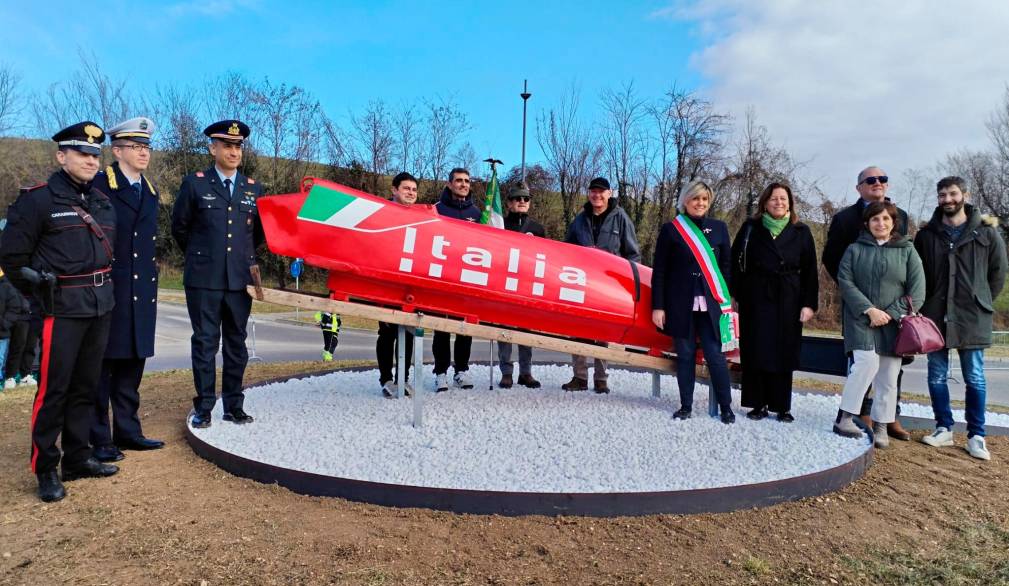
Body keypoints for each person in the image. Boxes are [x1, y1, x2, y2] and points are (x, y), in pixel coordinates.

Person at [0, 121, 120, 502]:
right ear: (61, 156)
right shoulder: (37, 201)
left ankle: (77, 456)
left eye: (94, 154)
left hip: (100, 306)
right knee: (54, 390)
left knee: (86, 386)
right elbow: (12, 257)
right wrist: (38, 293)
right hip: (60, 310)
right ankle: (46, 467)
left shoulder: (101, 201)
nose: (89, 160)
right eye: (81, 153)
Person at [171, 120, 264, 429]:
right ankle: (205, 407)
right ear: (213, 148)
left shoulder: (253, 188)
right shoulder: (195, 183)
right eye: (227, 145)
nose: (233, 151)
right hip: (203, 280)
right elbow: (180, 228)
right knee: (205, 344)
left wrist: (239, 260)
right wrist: (203, 256)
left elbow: (258, 235)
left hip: (239, 280)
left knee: (236, 345)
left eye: (238, 146)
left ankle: (234, 405)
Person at [915, 176, 1007, 460]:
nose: (947, 200)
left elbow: (998, 273)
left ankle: (976, 435)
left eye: (953, 194)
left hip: (972, 315)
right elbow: (917, 274)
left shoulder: (986, 233)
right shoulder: (927, 234)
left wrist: (981, 300)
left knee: (975, 377)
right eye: (942, 195)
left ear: (964, 195)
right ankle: (943, 427)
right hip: (935, 315)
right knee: (936, 375)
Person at [89, 117, 164, 463]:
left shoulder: (149, 191)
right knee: (102, 367)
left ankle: (128, 431)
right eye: (136, 147)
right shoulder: (100, 184)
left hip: (142, 289)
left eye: (146, 147)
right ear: (117, 150)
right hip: (111, 286)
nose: (143, 153)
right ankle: (98, 438)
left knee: (133, 363)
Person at [822, 166, 913, 441]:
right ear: (859, 187)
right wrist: (859, 299)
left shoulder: (903, 220)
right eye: (871, 180)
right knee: (862, 361)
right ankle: (857, 413)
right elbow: (833, 260)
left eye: (882, 179)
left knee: (890, 367)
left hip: (893, 310)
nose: (878, 183)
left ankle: (887, 417)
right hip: (860, 309)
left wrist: (894, 309)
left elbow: (910, 272)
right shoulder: (844, 220)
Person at [832, 201, 925, 447]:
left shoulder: (907, 251)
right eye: (875, 219)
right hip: (860, 319)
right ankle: (845, 418)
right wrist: (870, 310)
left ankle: (882, 424)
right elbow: (845, 281)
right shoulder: (854, 249)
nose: (880, 223)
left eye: (885, 219)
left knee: (889, 374)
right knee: (865, 362)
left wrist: (890, 314)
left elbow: (917, 293)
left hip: (895, 324)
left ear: (893, 222)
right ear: (867, 223)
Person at [730, 182, 818, 422]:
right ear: (764, 203)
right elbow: (734, 261)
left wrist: (809, 304)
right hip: (755, 295)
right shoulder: (751, 227)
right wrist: (734, 294)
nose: (779, 202)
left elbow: (810, 270)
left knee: (784, 350)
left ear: (790, 202)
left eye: (783, 198)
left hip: (789, 296)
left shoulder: (801, 231)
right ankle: (757, 403)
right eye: (773, 199)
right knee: (756, 348)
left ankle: (782, 405)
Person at [651, 180, 735, 423]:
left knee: (715, 356)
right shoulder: (671, 229)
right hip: (680, 304)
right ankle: (685, 405)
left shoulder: (719, 228)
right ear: (685, 201)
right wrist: (658, 306)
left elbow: (726, 267)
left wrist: (727, 300)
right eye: (695, 199)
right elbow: (660, 271)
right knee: (685, 355)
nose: (700, 203)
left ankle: (726, 407)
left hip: (712, 305)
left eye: (705, 200)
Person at [563, 177, 640, 393]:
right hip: (581, 283)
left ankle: (601, 378)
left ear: (609, 193)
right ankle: (579, 376)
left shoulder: (621, 218)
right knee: (578, 329)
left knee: (603, 332)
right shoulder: (579, 220)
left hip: (609, 285)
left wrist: (632, 284)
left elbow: (632, 253)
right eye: (593, 191)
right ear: (589, 193)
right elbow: (566, 250)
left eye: (601, 192)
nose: (597, 195)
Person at [432, 167, 479, 392]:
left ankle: (462, 370)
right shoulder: (436, 210)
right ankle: (440, 372)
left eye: (466, 181)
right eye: (458, 180)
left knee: (464, 326)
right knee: (441, 327)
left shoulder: (479, 214)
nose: (463, 184)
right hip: (442, 276)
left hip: (467, 278)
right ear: (449, 184)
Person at [498, 185, 545, 389]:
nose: (522, 202)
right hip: (505, 284)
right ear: (509, 203)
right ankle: (506, 372)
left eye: (526, 199)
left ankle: (525, 372)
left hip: (527, 285)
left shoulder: (537, 229)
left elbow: (545, 258)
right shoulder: (500, 225)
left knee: (526, 330)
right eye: (517, 199)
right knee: (503, 329)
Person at [377, 172, 418, 397]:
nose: (410, 193)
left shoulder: (421, 217)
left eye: (413, 189)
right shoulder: (384, 213)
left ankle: (403, 379)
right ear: (394, 190)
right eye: (406, 188)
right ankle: (386, 379)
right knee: (387, 333)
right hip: (388, 284)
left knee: (408, 333)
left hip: (411, 286)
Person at [1, 268, 30, 390]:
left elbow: (14, 306)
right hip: (11, 325)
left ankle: (11, 377)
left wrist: (4, 324)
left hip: (3, 331)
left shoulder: (6, 287)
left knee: (10, 352)